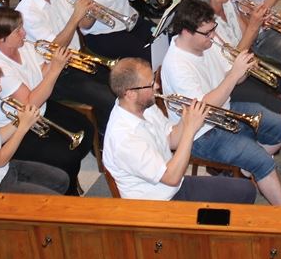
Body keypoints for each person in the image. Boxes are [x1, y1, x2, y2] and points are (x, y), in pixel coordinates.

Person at [160, 0, 281, 205]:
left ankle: (245, 168)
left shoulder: (208, 41)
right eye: (207, 32)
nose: (213, 36)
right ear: (186, 32)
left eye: (213, 29)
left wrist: (242, 69)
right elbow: (203, 109)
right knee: (263, 161)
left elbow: (233, 79)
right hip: (200, 133)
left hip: (225, 109)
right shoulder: (177, 65)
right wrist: (234, 76)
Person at [102, 58, 257, 203]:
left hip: (173, 186)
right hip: (159, 204)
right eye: (150, 84)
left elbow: (171, 139)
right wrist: (190, 129)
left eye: (154, 78)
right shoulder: (124, 139)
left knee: (246, 190)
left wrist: (186, 119)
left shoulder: (144, 106)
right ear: (130, 94)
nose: (156, 86)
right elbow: (171, 177)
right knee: (239, 197)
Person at [0, 6, 95, 194]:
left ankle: (69, 183)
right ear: (1, 38)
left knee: (87, 129)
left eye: (21, 27)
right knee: (66, 157)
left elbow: (41, 71)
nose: (24, 33)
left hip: (40, 109)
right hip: (19, 125)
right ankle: (67, 195)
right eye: (17, 30)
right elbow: (29, 103)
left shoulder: (22, 45)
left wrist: (54, 62)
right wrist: (56, 69)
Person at [16, 0, 117, 134]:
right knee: (107, 97)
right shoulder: (27, 12)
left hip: (79, 59)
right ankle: (104, 139)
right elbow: (54, 49)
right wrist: (76, 16)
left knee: (118, 82)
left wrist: (90, 13)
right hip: (57, 74)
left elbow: (84, 25)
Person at [0, 60, 70, 195]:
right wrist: (22, 127)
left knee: (62, 180)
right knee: (53, 199)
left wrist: (19, 120)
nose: (0, 89)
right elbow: (0, 160)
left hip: (2, 170)